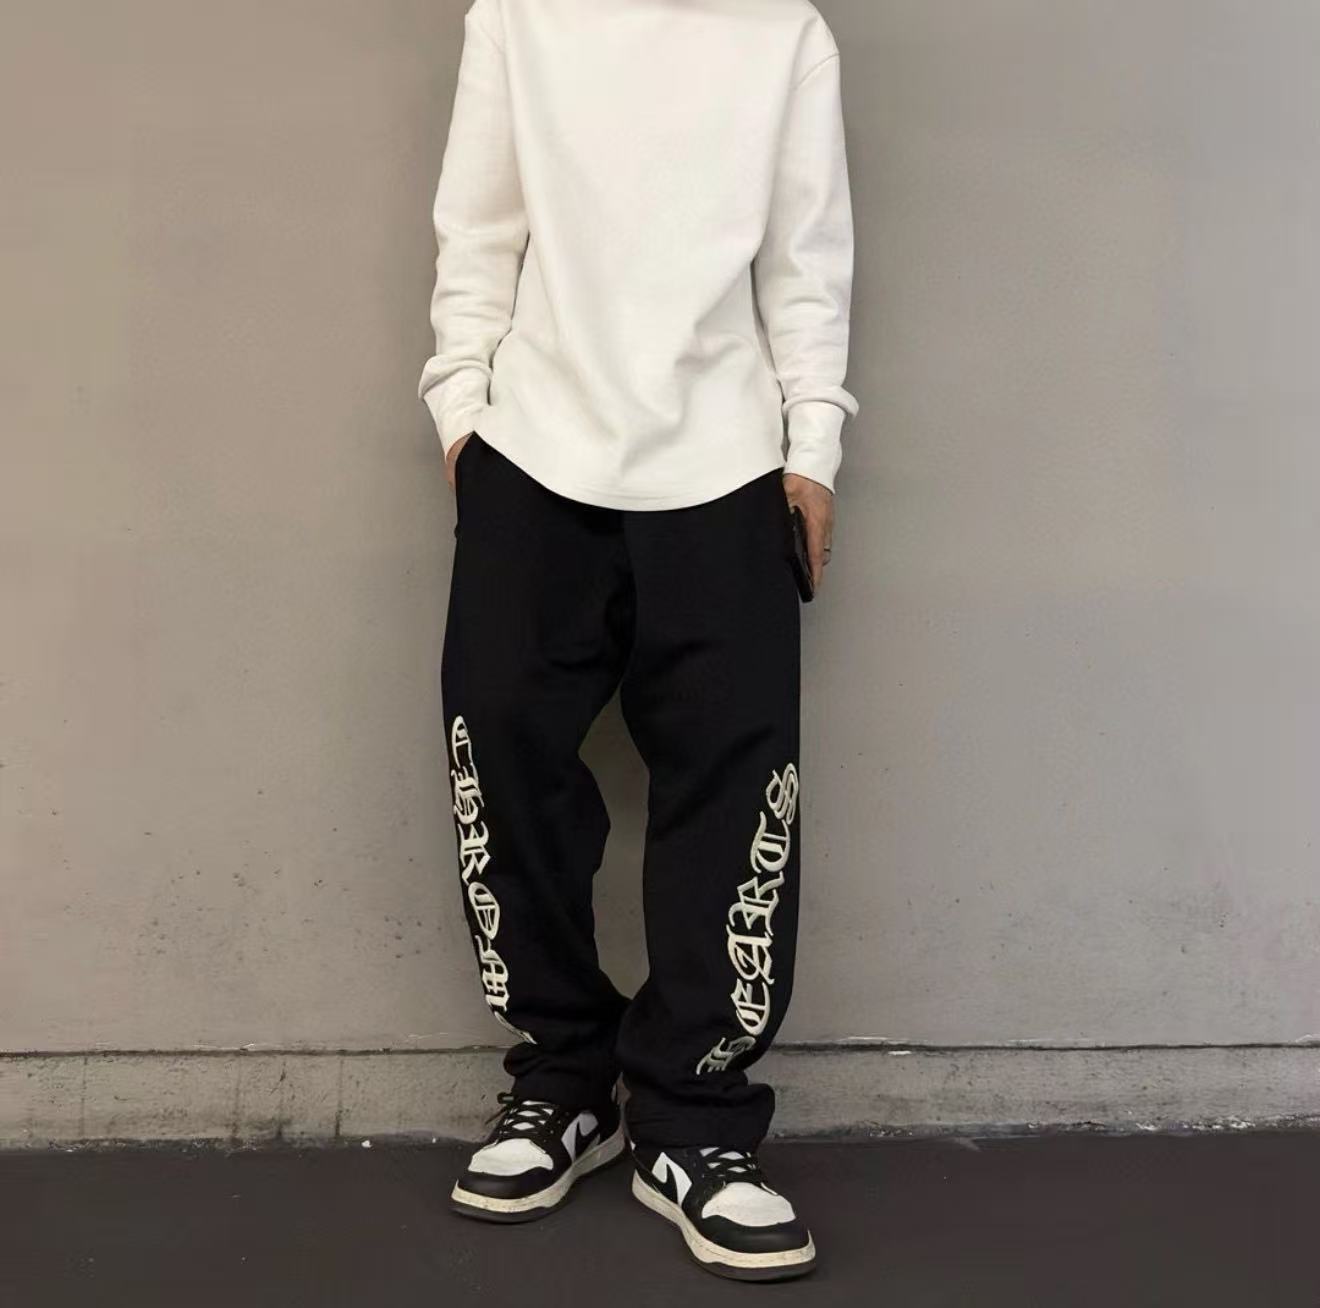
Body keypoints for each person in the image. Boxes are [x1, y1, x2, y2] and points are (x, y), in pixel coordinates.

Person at [417, 0, 856, 1282]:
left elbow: (807, 259)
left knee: (735, 786)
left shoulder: (785, 34)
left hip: (729, 460)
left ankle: (695, 1119)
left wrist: (814, 444)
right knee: (503, 758)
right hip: (533, 448)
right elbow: (477, 232)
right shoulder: (518, 17)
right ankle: (563, 1080)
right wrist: (462, 414)